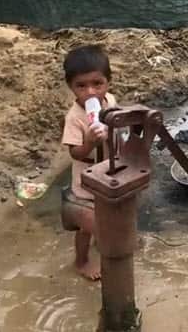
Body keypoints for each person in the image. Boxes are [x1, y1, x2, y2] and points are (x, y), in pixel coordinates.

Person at [60, 45, 117, 280]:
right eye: (81, 86)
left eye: (97, 84)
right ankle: (81, 261)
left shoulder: (110, 100)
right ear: (71, 87)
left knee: (111, 212)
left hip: (109, 170)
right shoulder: (75, 118)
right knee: (86, 224)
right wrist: (90, 142)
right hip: (87, 180)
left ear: (108, 82)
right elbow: (75, 153)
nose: (91, 92)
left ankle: (108, 238)